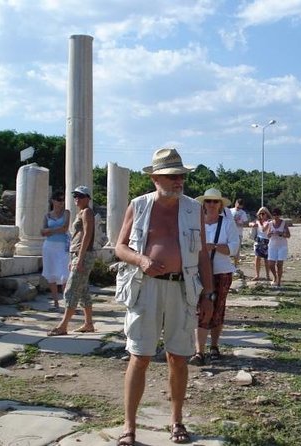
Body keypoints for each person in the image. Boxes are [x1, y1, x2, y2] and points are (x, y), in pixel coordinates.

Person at [114, 148, 213, 446]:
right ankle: (129, 426)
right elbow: (119, 247)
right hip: (145, 287)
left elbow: (203, 255)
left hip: (183, 288)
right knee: (139, 356)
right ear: (156, 178)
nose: (178, 180)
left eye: (181, 175)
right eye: (172, 176)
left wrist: (209, 294)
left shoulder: (193, 208)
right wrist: (141, 260)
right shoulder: (139, 205)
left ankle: (176, 420)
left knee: (178, 358)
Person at [189, 188, 240, 366]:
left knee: (217, 309)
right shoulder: (194, 222)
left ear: (220, 205)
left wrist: (214, 246)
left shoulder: (227, 223)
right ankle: (199, 351)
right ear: (204, 204)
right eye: (208, 201)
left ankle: (214, 346)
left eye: (214, 201)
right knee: (200, 311)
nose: (211, 204)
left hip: (221, 271)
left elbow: (233, 248)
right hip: (196, 272)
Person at [47, 186, 96, 336]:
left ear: (88, 198)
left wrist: (80, 259)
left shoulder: (87, 212)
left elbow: (87, 235)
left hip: (84, 255)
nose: (77, 199)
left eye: (80, 196)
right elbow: (77, 237)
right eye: (75, 196)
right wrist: (72, 258)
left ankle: (63, 326)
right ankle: (88, 323)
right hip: (78, 254)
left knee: (71, 290)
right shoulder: (81, 213)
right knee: (82, 290)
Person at [40, 190, 70, 309]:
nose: (61, 202)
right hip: (49, 247)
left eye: (63, 200)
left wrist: (50, 231)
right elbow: (42, 232)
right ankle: (56, 302)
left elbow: (65, 228)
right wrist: (55, 230)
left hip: (62, 246)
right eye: (59, 200)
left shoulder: (66, 213)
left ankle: (68, 303)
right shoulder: (47, 215)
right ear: (53, 201)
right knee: (51, 273)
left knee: (65, 274)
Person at [266, 208, 291, 288]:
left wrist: (281, 233)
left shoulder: (283, 223)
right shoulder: (270, 223)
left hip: (282, 246)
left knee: (279, 264)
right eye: (274, 215)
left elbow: (288, 235)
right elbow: (267, 235)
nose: (276, 216)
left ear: (279, 215)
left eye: (277, 215)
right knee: (271, 264)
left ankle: (279, 281)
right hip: (272, 245)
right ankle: (275, 277)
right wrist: (271, 233)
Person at [249, 207, 272, 281]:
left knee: (266, 259)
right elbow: (250, 223)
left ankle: (268, 275)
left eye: (263, 213)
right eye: (260, 213)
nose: (261, 215)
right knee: (257, 258)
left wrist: (258, 223)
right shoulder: (257, 221)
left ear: (267, 214)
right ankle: (257, 275)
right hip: (258, 241)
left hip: (266, 241)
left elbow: (263, 229)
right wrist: (252, 224)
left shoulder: (269, 222)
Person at [229, 198, 249, 271]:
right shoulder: (229, 211)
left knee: (237, 251)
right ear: (235, 203)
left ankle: (235, 266)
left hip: (238, 233)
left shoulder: (243, 213)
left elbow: (246, 223)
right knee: (228, 249)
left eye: (240, 207)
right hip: (229, 233)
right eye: (237, 206)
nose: (238, 208)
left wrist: (239, 223)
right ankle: (228, 265)